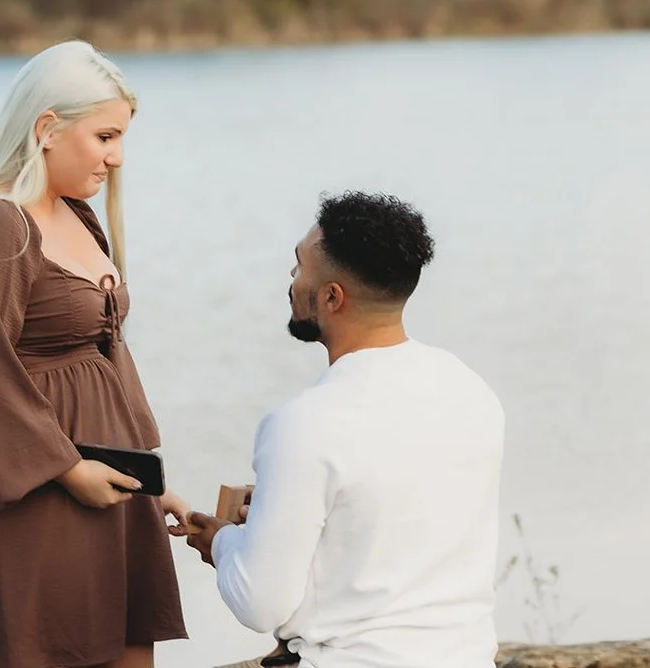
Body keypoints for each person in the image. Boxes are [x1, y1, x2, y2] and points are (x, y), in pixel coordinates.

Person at [0, 40, 189, 668]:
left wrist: (147, 483)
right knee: (40, 648)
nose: (117, 158)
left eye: (120, 139)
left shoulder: (78, 216)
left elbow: (106, 355)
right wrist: (67, 471)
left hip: (108, 479)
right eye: (104, 137)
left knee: (124, 645)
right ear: (47, 128)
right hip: (36, 488)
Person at [186, 191, 504, 668]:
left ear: (333, 297)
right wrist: (285, 504)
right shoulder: (469, 387)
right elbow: (397, 515)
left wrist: (223, 541)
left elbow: (260, 603)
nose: (292, 280)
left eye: (299, 267)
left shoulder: (305, 423)